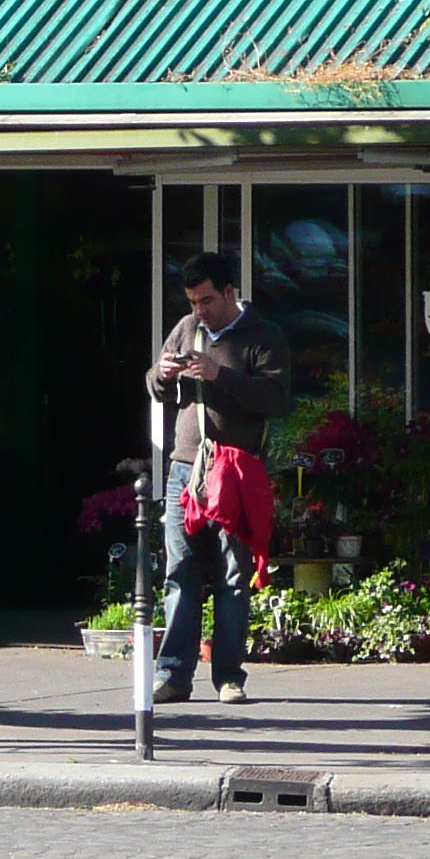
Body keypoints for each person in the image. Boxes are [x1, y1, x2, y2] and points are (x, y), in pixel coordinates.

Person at [143, 251, 291, 706]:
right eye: (192, 300)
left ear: (230, 292)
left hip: (236, 469)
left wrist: (220, 374)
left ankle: (229, 676)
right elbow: (154, 384)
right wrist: (161, 377)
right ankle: (172, 675)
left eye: (207, 299)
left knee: (232, 575)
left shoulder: (262, 336)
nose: (199, 309)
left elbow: (276, 397)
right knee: (180, 573)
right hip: (185, 467)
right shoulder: (187, 329)